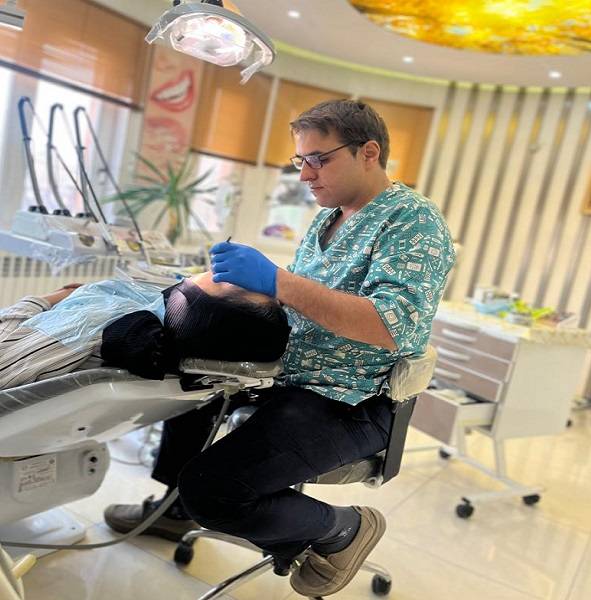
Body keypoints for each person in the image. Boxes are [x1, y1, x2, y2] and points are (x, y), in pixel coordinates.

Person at [104, 99, 455, 597]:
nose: (305, 175)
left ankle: (344, 529)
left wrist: (277, 280)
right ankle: (173, 510)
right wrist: (231, 289)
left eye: (319, 159)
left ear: (369, 152)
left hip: (349, 400)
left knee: (214, 489)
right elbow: (305, 299)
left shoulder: (412, 221)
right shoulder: (329, 218)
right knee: (188, 389)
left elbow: (390, 325)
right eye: (300, 161)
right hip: (287, 375)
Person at [0, 272, 290, 390]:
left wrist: (49, 298)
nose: (225, 271)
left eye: (233, 283)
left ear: (198, 309)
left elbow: (5, 363)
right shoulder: (160, 330)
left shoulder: (94, 324)